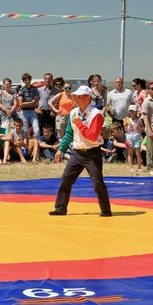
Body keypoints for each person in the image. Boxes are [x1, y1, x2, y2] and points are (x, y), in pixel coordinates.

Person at [48, 85, 112, 217]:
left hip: (92, 153)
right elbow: (68, 134)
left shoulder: (97, 114)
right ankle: (60, 208)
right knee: (66, 179)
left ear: (88, 98)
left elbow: (92, 135)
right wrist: (61, 149)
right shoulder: (73, 112)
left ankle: (106, 210)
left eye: (79, 96)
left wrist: (79, 124)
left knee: (98, 183)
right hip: (77, 152)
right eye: (75, 96)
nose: (76, 98)